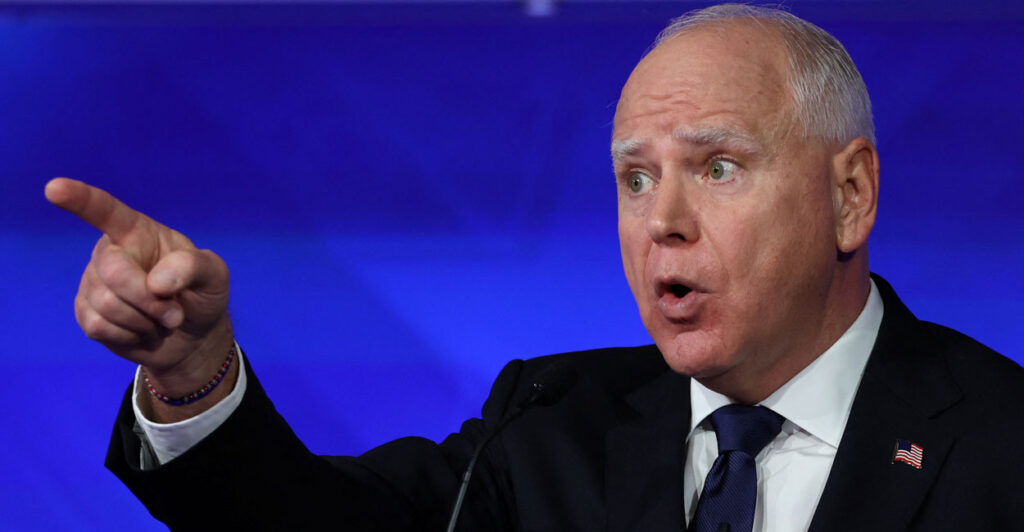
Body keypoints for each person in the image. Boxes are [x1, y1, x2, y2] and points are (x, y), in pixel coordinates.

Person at [46, 4, 1024, 531]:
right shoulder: (550, 422)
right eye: (635, 179)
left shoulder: (1002, 445)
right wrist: (190, 372)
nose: (663, 223)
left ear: (849, 193)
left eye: (717, 167)